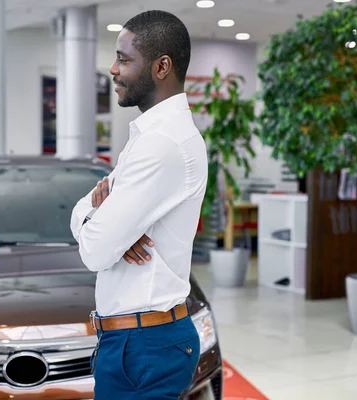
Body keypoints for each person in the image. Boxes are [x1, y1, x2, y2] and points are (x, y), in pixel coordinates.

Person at [70, 10, 208, 400]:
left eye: (124, 59)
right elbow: (85, 211)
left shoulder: (161, 144)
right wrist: (102, 219)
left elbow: (96, 250)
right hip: (139, 341)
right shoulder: (153, 136)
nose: (113, 69)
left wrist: (106, 224)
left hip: (144, 345)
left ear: (162, 66)